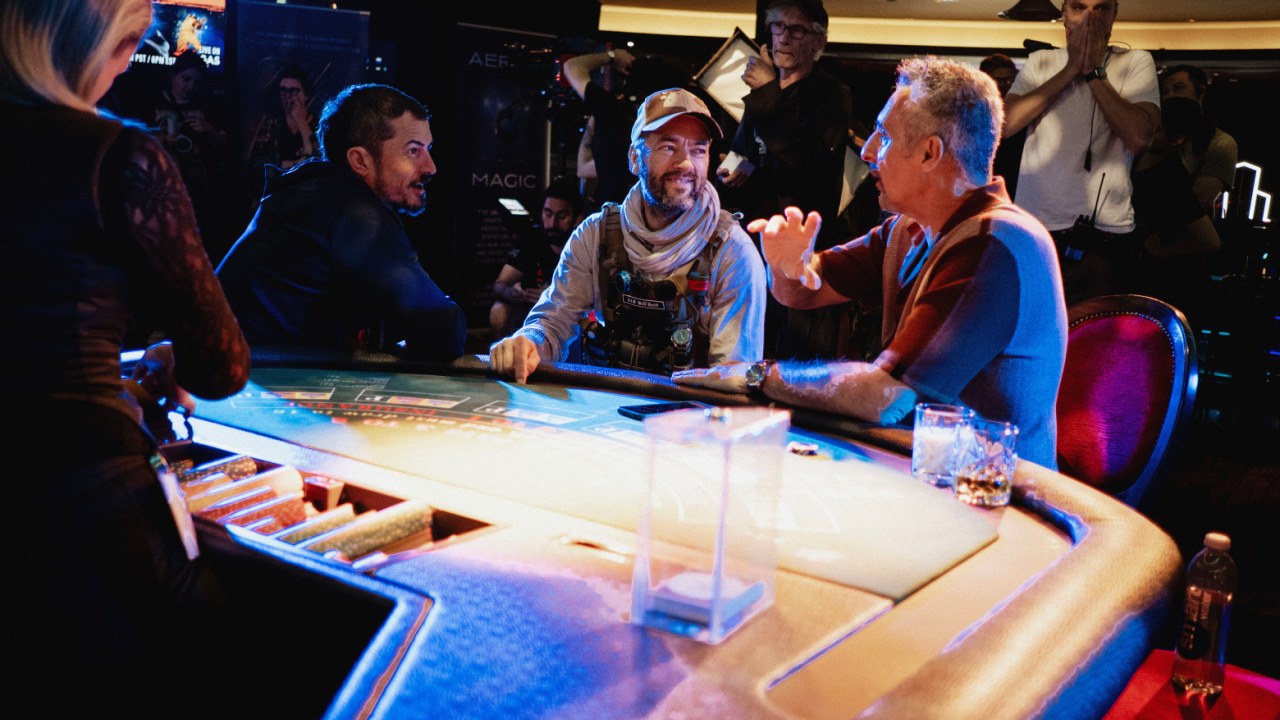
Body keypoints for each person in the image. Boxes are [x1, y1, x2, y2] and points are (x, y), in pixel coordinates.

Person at [0, 0, 251, 715]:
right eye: (128, 45)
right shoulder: (118, 155)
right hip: (78, 501)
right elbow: (220, 368)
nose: (122, 70)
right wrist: (165, 368)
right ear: (88, 39)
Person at [676, 57, 1068, 470]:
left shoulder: (993, 245)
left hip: (994, 492)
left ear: (930, 153)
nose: (866, 150)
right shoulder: (909, 229)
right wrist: (784, 265)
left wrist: (756, 376)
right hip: (925, 471)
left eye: (883, 136)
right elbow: (801, 292)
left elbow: (883, 396)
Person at [490, 88, 767, 383]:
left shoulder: (731, 250)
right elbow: (554, 320)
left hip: (691, 409)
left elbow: (733, 374)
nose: (686, 164)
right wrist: (529, 343)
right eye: (669, 147)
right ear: (635, 158)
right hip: (608, 400)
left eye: (698, 150)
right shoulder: (596, 234)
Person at [217, 83, 466, 361]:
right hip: (254, 375)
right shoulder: (357, 215)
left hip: (239, 371)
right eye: (413, 151)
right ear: (360, 161)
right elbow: (444, 332)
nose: (431, 167)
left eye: (428, 149)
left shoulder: (310, 195)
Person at [718, 0, 853, 360]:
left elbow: (808, 158)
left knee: (795, 358)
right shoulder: (766, 93)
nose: (783, 38)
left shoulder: (832, 94)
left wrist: (767, 92)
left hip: (802, 246)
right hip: (754, 241)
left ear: (819, 42)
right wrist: (734, 168)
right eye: (777, 26)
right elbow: (743, 151)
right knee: (749, 348)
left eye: (797, 30)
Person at [1003, 0, 1160, 306]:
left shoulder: (1135, 61)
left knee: (1095, 329)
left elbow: (1139, 138)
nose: (1090, 17)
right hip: (1035, 225)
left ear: (1114, 14)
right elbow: (1006, 125)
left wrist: (1093, 71)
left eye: (1101, 8)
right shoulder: (1041, 61)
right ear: (1064, 14)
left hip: (1105, 231)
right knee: (1034, 321)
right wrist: (1071, 69)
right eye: (1079, 7)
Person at [1131, 96, 1221, 322]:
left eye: (1157, 130)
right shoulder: (1132, 157)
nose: (1148, 132)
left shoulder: (1172, 180)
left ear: (1177, 139)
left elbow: (1211, 241)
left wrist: (1161, 251)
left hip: (1161, 284)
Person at [490, 180, 583, 340]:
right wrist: (511, 292)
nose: (552, 223)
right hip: (532, 309)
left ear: (577, 219)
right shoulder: (532, 238)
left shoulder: (583, 244)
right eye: (548, 214)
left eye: (562, 216)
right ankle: (505, 355)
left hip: (570, 312)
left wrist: (552, 296)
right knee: (499, 312)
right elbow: (499, 285)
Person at [1160, 64, 1238, 213]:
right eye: (1165, 91)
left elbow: (1198, 201)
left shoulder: (1220, 143)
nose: (1170, 95)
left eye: (1179, 88)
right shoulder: (1155, 135)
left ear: (1200, 91)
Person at [248, 64, 320, 172]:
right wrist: (292, 164)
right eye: (283, 90)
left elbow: (318, 159)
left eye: (293, 91)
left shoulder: (318, 124)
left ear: (306, 95)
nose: (288, 96)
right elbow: (257, 161)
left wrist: (301, 122)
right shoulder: (272, 123)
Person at [980, 53, 1025, 201]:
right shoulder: (975, 114)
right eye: (998, 81)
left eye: (1011, 80)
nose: (1005, 86)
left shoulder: (1025, 113)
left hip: (1021, 184)